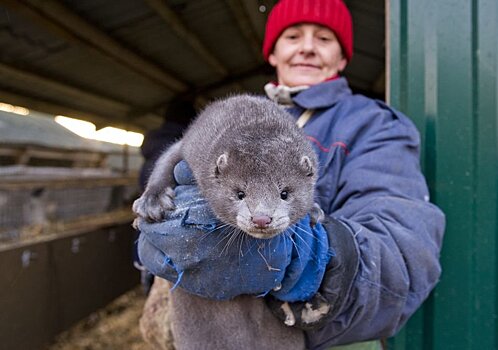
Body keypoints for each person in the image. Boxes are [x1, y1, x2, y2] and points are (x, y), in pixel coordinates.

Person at [136, 0, 445, 349]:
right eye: (294, 35)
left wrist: (310, 263)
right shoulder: (233, 120)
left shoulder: (373, 125)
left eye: (325, 39)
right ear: (273, 52)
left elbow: (404, 251)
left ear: (343, 58)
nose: (308, 47)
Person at [133, 98, 195, 293]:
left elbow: (142, 186)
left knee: (152, 286)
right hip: (170, 239)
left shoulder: (151, 148)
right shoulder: (182, 151)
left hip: (145, 234)